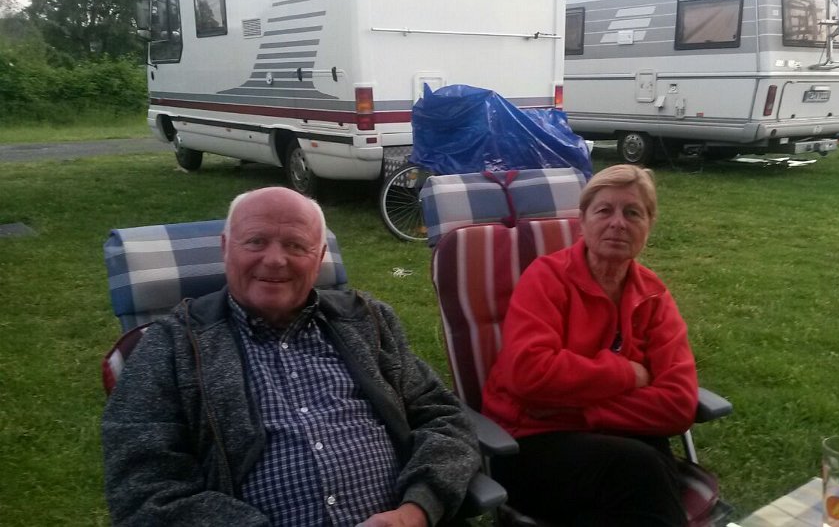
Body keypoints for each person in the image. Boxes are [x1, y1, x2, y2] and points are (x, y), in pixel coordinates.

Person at [102, 186, 480, 527]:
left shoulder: (367, 321)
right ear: (225, 247)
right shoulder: (172, 345)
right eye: (256, 241)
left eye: (296, 246)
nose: (275, 260)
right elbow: (144, 488)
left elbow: (442, 417)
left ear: (319, 257)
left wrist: (417, 509)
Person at [481, 164, 699, 526]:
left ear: (649, 224)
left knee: (647, 470)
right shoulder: (546, 279)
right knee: (644, 469)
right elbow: (528, 373)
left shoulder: (653, 296)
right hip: (529, 445)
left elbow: (678, 404)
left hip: (613, 443)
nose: (618, 223)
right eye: (604, 210)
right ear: (582, 220)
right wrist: (628, 374)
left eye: (633, 213)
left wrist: (580, 409)